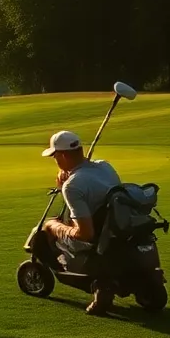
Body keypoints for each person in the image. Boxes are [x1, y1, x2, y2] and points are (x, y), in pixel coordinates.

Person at [40, 130, 122, 315]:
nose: (55, 161)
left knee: (51, 226)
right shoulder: (104, 166)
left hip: (96, 235)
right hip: (116, 227)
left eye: (55, 157)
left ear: (62, 155)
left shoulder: (73, 185)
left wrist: (54, 226)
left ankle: (86, 280)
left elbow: (85, 234)